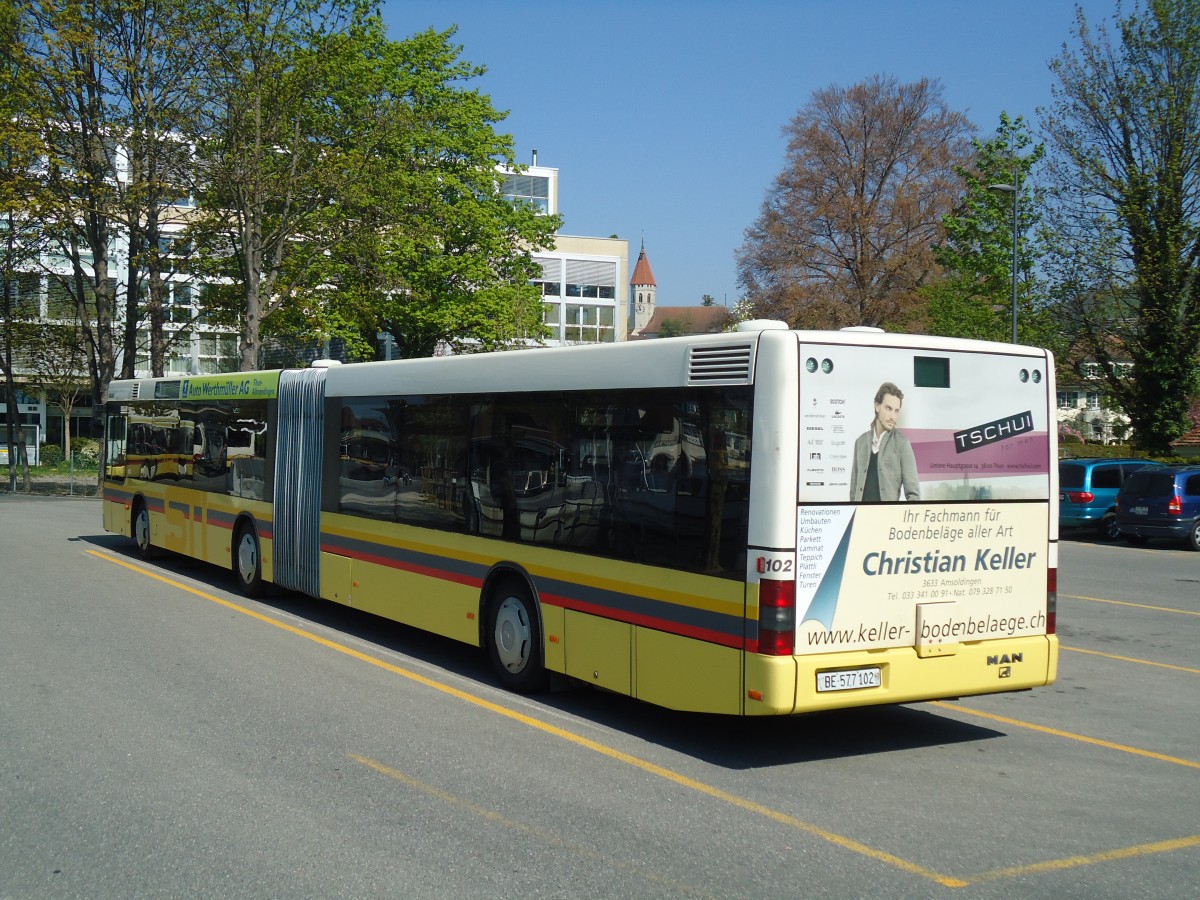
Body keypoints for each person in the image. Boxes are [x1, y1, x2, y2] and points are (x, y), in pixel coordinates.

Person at [849, 382, 920, 502]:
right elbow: (853, 491)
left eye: (896, 411)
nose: (893, 416)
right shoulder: (860, 442)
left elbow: (914, 496)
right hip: (862, 518)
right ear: (877, 406)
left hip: (888, 519)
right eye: (888, 408)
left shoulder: (902, 445)